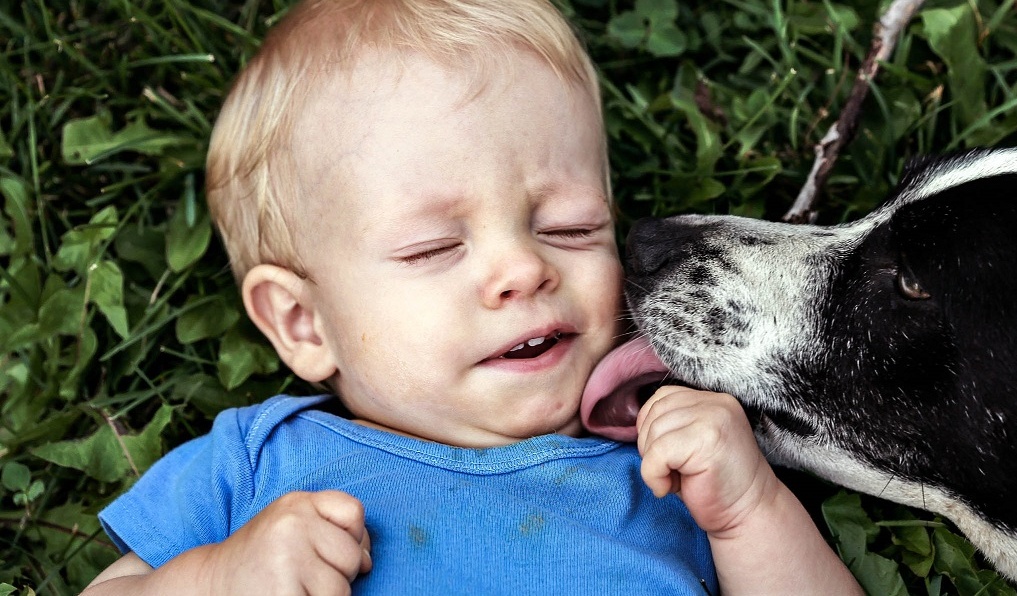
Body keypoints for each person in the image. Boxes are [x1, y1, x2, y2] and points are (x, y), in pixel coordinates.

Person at [83, 0, 862, 593]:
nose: (523, 268)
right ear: (303, 322)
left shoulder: (667, 468)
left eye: (569, 227)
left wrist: (750, 512)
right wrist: (216, 579)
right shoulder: (258, 461)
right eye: (433, 248)